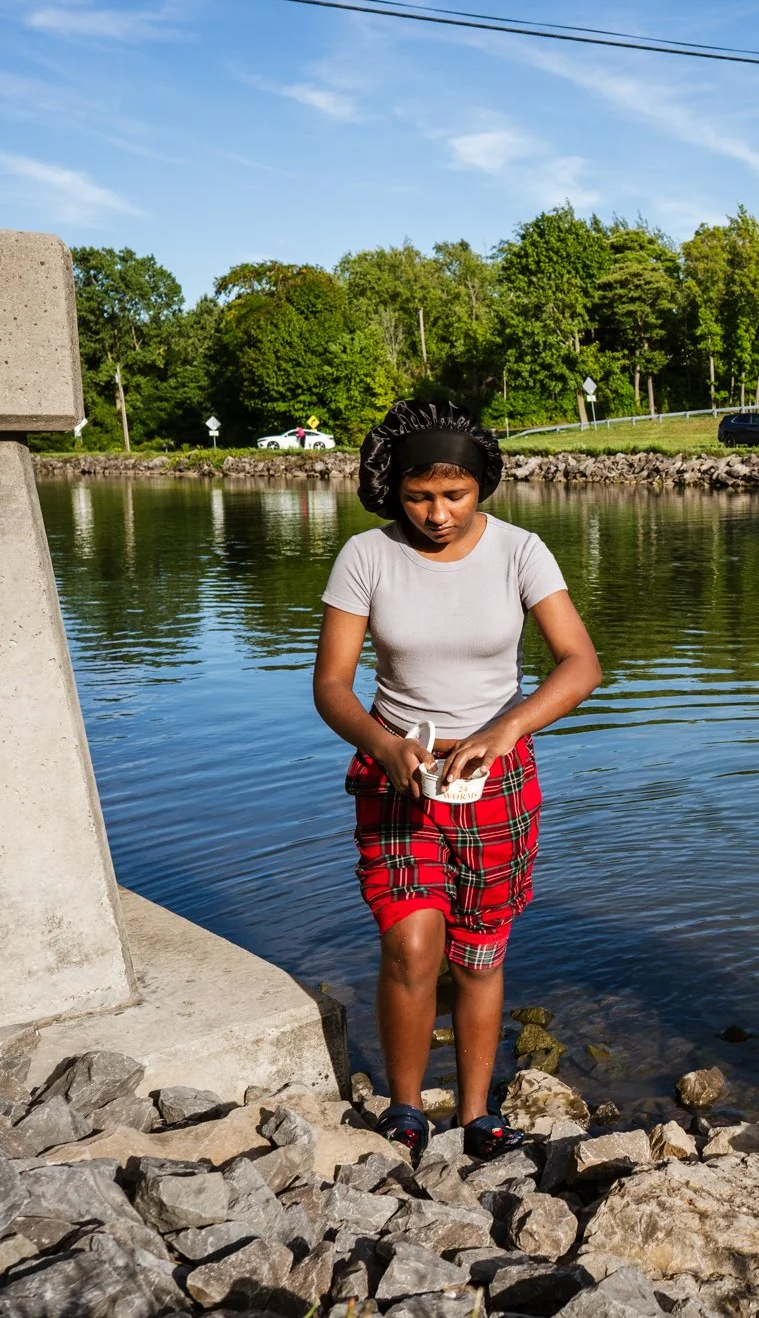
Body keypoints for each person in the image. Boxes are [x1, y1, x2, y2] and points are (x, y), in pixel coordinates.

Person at [313, 401, 601, 1161]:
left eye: (455, 495)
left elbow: (581, 663)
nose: (437, 514)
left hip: (495, 781)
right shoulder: (365, 556)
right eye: (418, 496)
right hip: (397, 774)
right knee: (411, 945)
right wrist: (384, 745)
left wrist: (508, 726)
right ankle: (405, 1108)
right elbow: (333, 685)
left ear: (481, 485)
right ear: (392, 489)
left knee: (479, 952)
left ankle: (476, 1113)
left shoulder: (521, 552)